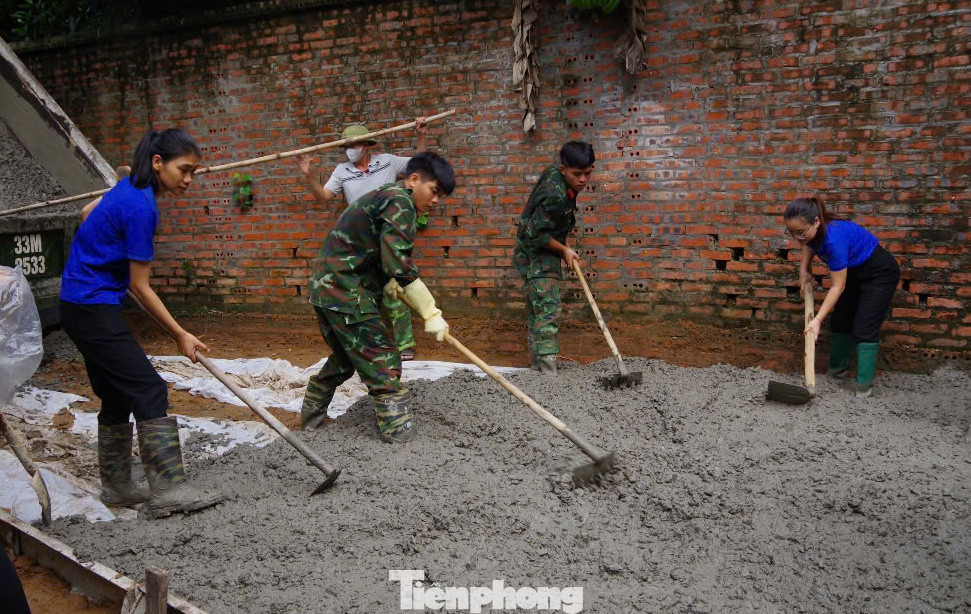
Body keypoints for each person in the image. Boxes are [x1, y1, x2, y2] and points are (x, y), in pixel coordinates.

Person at [60, 129, 224, 518]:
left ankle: (117, 487)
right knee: (148, 388)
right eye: (183, 170)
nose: (188, 180)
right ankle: (168, 489)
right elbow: (140, 285)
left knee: (117, 393)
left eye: (194, 173)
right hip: (92, 307)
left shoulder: (127, 189)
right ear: (157, 164)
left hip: (79, 303)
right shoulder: (142, 208)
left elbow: (87, 213)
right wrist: (181, 334)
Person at [300, 152, 455, 441]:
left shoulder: (387, 196)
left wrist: (387, 282)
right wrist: (431, 312)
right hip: (345, 290)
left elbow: (378, 253)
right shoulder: (401, 202)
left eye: (441, 196)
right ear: (413, 179)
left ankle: (311, 422)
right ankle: (398, 436)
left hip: (328, 287)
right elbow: (399, 263)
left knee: (346, 358)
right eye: (434, 192)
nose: (436, 201)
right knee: (382, 358)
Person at [296, 117, 428, 361]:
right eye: (346, 146)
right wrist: (309, 175)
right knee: (362, 293)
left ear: (366, 145)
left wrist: (421, 136)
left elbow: (418, 167)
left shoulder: (387, 162)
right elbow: (323, 197)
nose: (349, 151)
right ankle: (367, 344)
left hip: (386, 237)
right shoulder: (342, 171)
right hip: (358, 243)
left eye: (353, 145)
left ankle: (405, 343)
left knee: (394, 289)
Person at [783, 196, 901, 397]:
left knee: (865, 326)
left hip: (879, 273)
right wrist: (804, 269)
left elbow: (838, 286)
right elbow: (808, 242)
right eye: (792, 233)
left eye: (801, 232)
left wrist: (818, 320)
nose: (798, 238)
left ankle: (864, 387)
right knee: (840, 321)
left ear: (816, 222)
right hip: (854, 271)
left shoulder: (833, 240)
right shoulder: (814, 233)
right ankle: (836, 375)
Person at [512, 141, 596, 373]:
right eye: (577, 174)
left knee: (538, 310)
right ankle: (547, 372)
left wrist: (562, 243)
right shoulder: (555, 195)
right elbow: (537, 235)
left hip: (536, 251)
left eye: (588, 173)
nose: (583, 180)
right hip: (536, 254)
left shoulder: (559, 176)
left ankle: (537, 369)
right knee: (548, 309)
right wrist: (564, 250)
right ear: (563, 169)